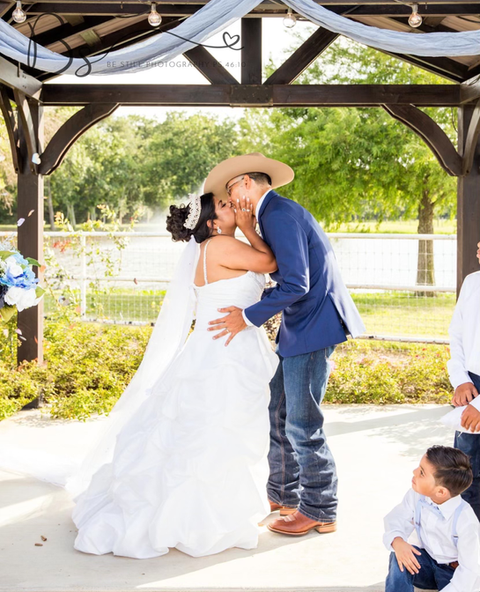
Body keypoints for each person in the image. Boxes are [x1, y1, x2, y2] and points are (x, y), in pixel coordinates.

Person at [72, 191, 280, 558]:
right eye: (226, 206)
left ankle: (211, 510)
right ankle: (199, 520)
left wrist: (245, 228)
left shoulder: (211, 249)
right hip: (223, 354)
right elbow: (269, 261)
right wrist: (249, 227)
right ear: (213, 224)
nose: (234, 206)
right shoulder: (219, 247)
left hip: (216, 347)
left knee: (206, 433)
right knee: (214, 432)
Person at [204, 153, 365, 536]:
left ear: (246, 183)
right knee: (277, 410)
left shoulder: (278, 213)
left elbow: (296, 284)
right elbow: (281, 267)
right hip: (301, 327)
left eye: (231, 190)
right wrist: (248, 229)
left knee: (302, 423)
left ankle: (320, 509)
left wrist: (245, 317)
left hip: (314, 327)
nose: (231, 198)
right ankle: (283, 496)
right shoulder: (272, 215)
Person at [383, 445, 480, 592]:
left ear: (441, 492)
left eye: (421, 473)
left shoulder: (465, 520)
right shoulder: (416, 495)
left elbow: (470, 571)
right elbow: (396, 518)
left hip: (452, 573)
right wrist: (397, 541)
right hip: (426, 565)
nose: (414, 472)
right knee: (398, 555)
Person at [447, 240, 480, 521]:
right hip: (472, 384)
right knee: (466, 471)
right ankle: (471, 545)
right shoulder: (472, 283)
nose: (478, 249)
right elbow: (456, 336)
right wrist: (460, 380)